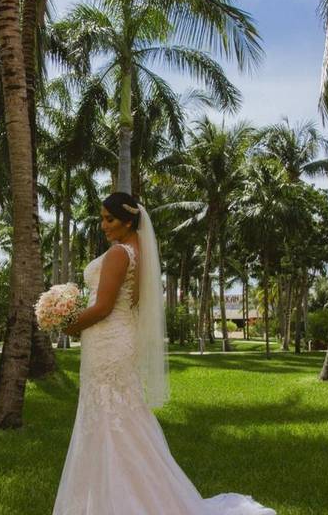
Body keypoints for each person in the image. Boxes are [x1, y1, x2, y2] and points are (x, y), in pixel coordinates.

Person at [53, 192, 274, 515]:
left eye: (109, 219)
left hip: (107, 341)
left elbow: (101, 308)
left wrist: (68, 324)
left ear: (128, 221)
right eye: (101, 218)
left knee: (106, 417)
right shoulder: (141, 253)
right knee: (122, 417)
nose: (103, 225)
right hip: (120, 338)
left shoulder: (118, 254)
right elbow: (132, 303)